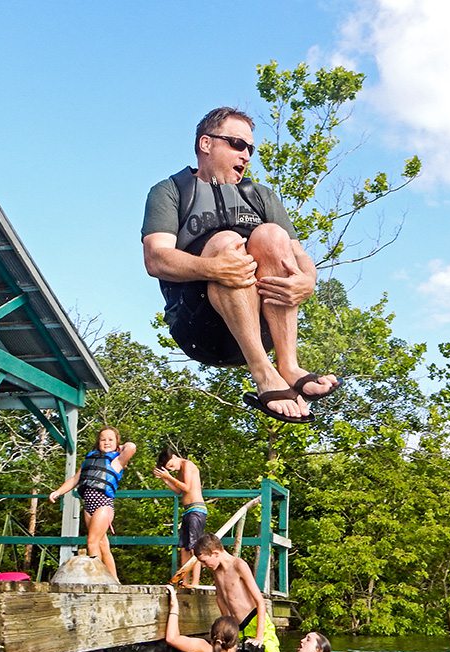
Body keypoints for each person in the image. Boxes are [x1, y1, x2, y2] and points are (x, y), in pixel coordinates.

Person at [141, 106, 340, 424]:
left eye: (251, 148)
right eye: (237, 144)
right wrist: (214, 269)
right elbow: (156, 257)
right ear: (206, 144)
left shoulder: (260, 196)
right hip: (201, 329)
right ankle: (263, 373)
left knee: (272, 235)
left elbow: (298, 255)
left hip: (263, 325)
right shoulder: (170, 191)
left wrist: (308, 280)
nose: (246, 155)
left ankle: (287, 365)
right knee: (224, 244)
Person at [49, 427, 136, 582]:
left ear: (117, 443)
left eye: (110, 439)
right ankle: (114, 581)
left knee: (91, 542)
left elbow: (132, 447)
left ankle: (97, 580)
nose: (106, 442)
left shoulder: (117, 460)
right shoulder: (90, 459)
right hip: (88, 506)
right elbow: (75, 479)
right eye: (103, 439)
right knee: (103, 546)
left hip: (103, 504)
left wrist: (121, 447)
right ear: (98, 442)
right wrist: (58, 492)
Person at [193, 533, 285, 652]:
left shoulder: (238, 565)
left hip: (256, 621)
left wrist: (259, 637)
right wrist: (226, 626)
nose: (204, 565)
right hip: (237, 627)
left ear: (216, 553)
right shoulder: (216, 571)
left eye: (205, 561)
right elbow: (220, 598)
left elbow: (260, 601)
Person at [154, 446, 207, 587]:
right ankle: (185, 580)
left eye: (171, 465)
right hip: (187, 511)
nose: (172, 468)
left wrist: (169, 477)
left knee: (194, 547)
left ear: (175, 457)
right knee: (184, 547)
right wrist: (165, 479)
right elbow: (178, 490)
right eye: (168, 468)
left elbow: (187, 487)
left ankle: (194, 582)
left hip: (197, 509)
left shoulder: (187, 465)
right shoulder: (179, 471)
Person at [165, 585, 238, 652]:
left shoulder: (202, 647)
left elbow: (171, 638)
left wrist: (174, 606)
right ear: (233, 642)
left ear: (211, 631)